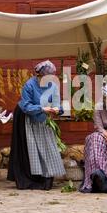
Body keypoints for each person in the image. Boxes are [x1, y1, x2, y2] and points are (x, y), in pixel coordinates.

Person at [7, 60, 65, 190]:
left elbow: (57, 103)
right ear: (38, 76)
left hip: (44, 118)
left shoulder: (53, 86)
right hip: (27, 118)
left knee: (47, 146)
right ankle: (30, 179)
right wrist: (42, 108)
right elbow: (26, 105)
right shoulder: (29, 85)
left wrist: (57, 109)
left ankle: (46, 178)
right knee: (32, 147)